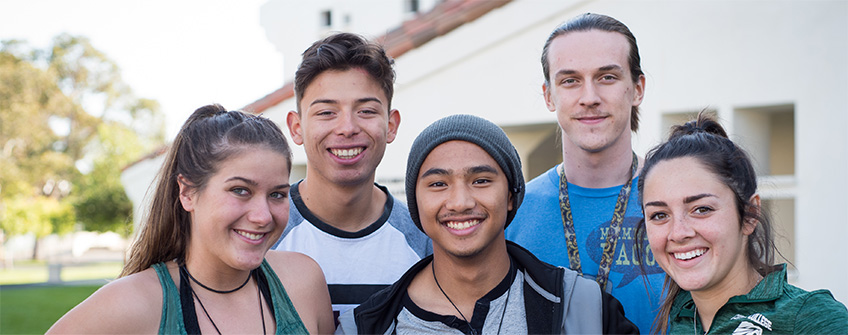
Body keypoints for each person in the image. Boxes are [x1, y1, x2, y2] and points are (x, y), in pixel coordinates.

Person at [337, 114, 638, 334]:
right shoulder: (367, 325)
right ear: (416, 202)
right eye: (438, 184)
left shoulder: (583, 308)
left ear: (510, 195)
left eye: (481, 181)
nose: (460, 202)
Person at [48, 104, 334, 334]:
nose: (262, 216)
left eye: (277, 195)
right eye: (240, 190)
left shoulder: (303, 282)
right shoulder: (134, 304)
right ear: (187, 193)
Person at [505, 12, 663, 333]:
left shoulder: (680, 206)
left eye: (607, 77)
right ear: (549, 95)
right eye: (570, 80)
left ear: (637, 89)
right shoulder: (512, 212)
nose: (589, 98)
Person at [636, 112, 848, 334]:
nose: (678, 233)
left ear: (750, 214)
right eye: (659, 215)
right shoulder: (674, 320)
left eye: (702, 209)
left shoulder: (811, 320)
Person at [272, 32, 431, 322]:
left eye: (366, 110)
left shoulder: (425, 242)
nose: (347, 127)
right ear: (296, 128)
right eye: (327, 112)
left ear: (391, 124)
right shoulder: (265, 236)